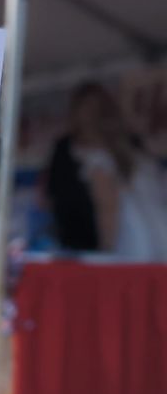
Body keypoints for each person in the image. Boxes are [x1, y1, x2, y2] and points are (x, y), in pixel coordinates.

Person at [73, 84, 167, 261]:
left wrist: (106, 251)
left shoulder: (98, 159)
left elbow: (108, 209)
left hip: (136, 244)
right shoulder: (139, 156)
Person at [46, 83, 104, 251]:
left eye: (95, 107)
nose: (90, 114)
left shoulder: (112, 147)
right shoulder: (63, 147)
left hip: (102, 234)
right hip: (70, 231)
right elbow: (52, 189)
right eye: (85, 107)